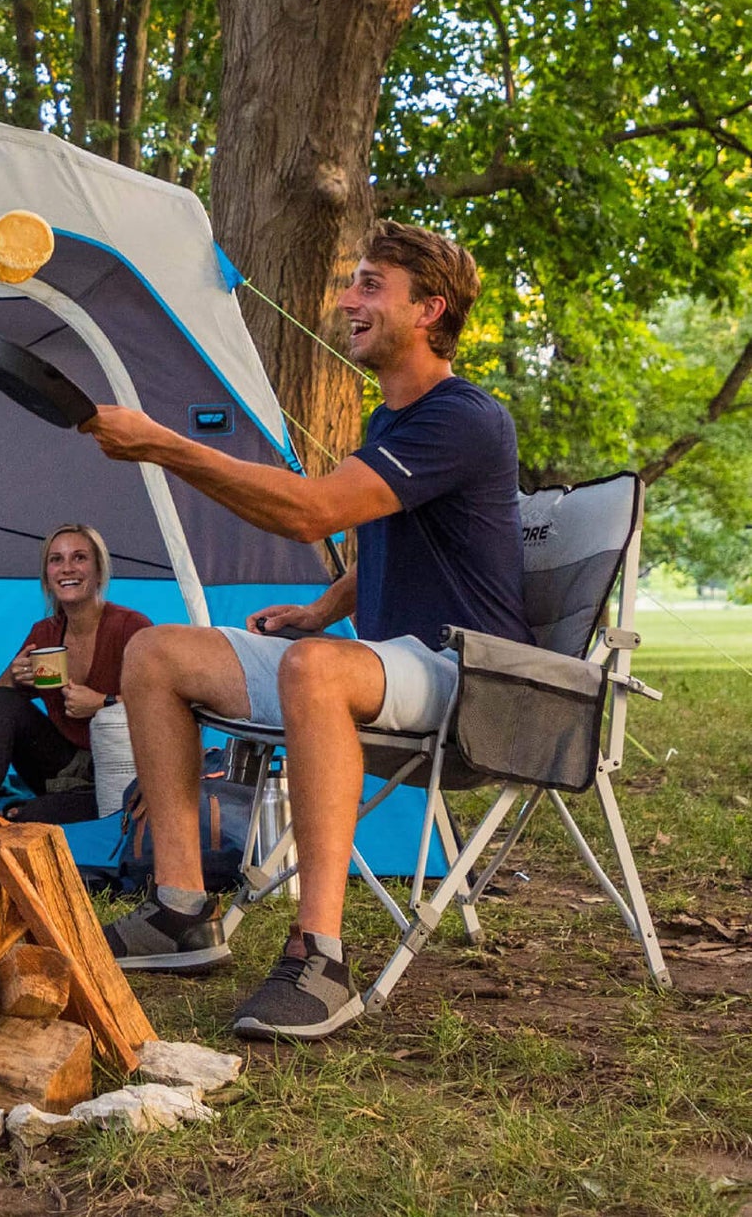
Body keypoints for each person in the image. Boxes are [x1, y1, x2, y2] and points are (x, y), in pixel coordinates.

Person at [88, 221, 525, 1041]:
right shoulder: (393, 423)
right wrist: (321, 611)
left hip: (470, 675)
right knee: (154, 652)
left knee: (315, 670)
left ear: (430, 310)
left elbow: (312, 512)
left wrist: (163, 447)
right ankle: (182, 909)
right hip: (386, 662)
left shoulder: (461, 417)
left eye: (370, 286)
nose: (348, 300)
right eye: (352, 282)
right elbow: (398, 537)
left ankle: (319, 956)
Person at [0, 524, 150, 821]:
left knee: (24, 819)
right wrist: (15, 674)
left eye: (79, 558)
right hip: (65, 767)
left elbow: (164, 705)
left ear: (99, 571)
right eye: (56, 560)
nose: (67, 568)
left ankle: (40, 811)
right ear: (47, 577)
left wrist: (102, 703)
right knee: (2, 700)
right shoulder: (44, 633)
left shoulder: (130, 627)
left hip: (122, 773)